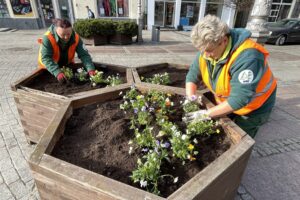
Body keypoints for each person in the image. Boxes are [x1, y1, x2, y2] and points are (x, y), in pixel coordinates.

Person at [184, 15, 277, 138]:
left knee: (242, 136)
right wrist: (191, 97)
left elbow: (240, 98)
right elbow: (192, 75)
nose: (205, 55)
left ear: (224, 41)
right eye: (202, 50)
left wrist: (206, 114)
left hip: (254, 108)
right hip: (230, 102)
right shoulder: (207, 50)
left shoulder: (248, 57)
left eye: (209, 50)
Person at [38, 18, 96, 83]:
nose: (66, 37)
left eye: (68, 34)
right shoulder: (48, 38)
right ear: (56, 30)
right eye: (62, 35)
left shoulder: (76, 37)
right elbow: (46, 58)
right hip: (48, 69)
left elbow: (84, 55)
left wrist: (90, 69)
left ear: (71, 30)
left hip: (66, 65)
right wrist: (57, 72)